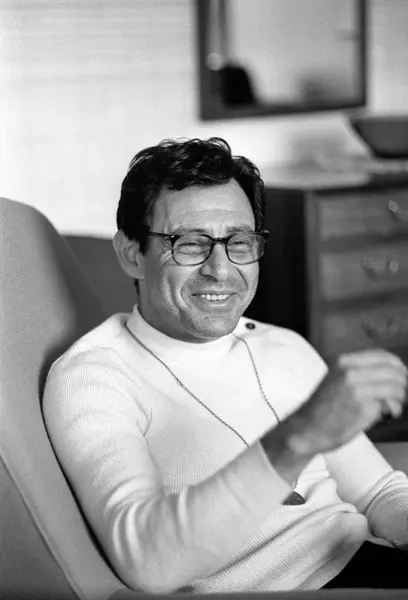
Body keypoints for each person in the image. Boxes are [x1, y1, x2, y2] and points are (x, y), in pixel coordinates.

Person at [43, 137, 408, 595]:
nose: (221, 269)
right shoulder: (94, 377)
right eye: (190, 244)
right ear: (132, 253)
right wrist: (300, 437)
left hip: (365, 559)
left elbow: (378, 491)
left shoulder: (284, 346)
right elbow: (147, 562)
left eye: (239, 242)